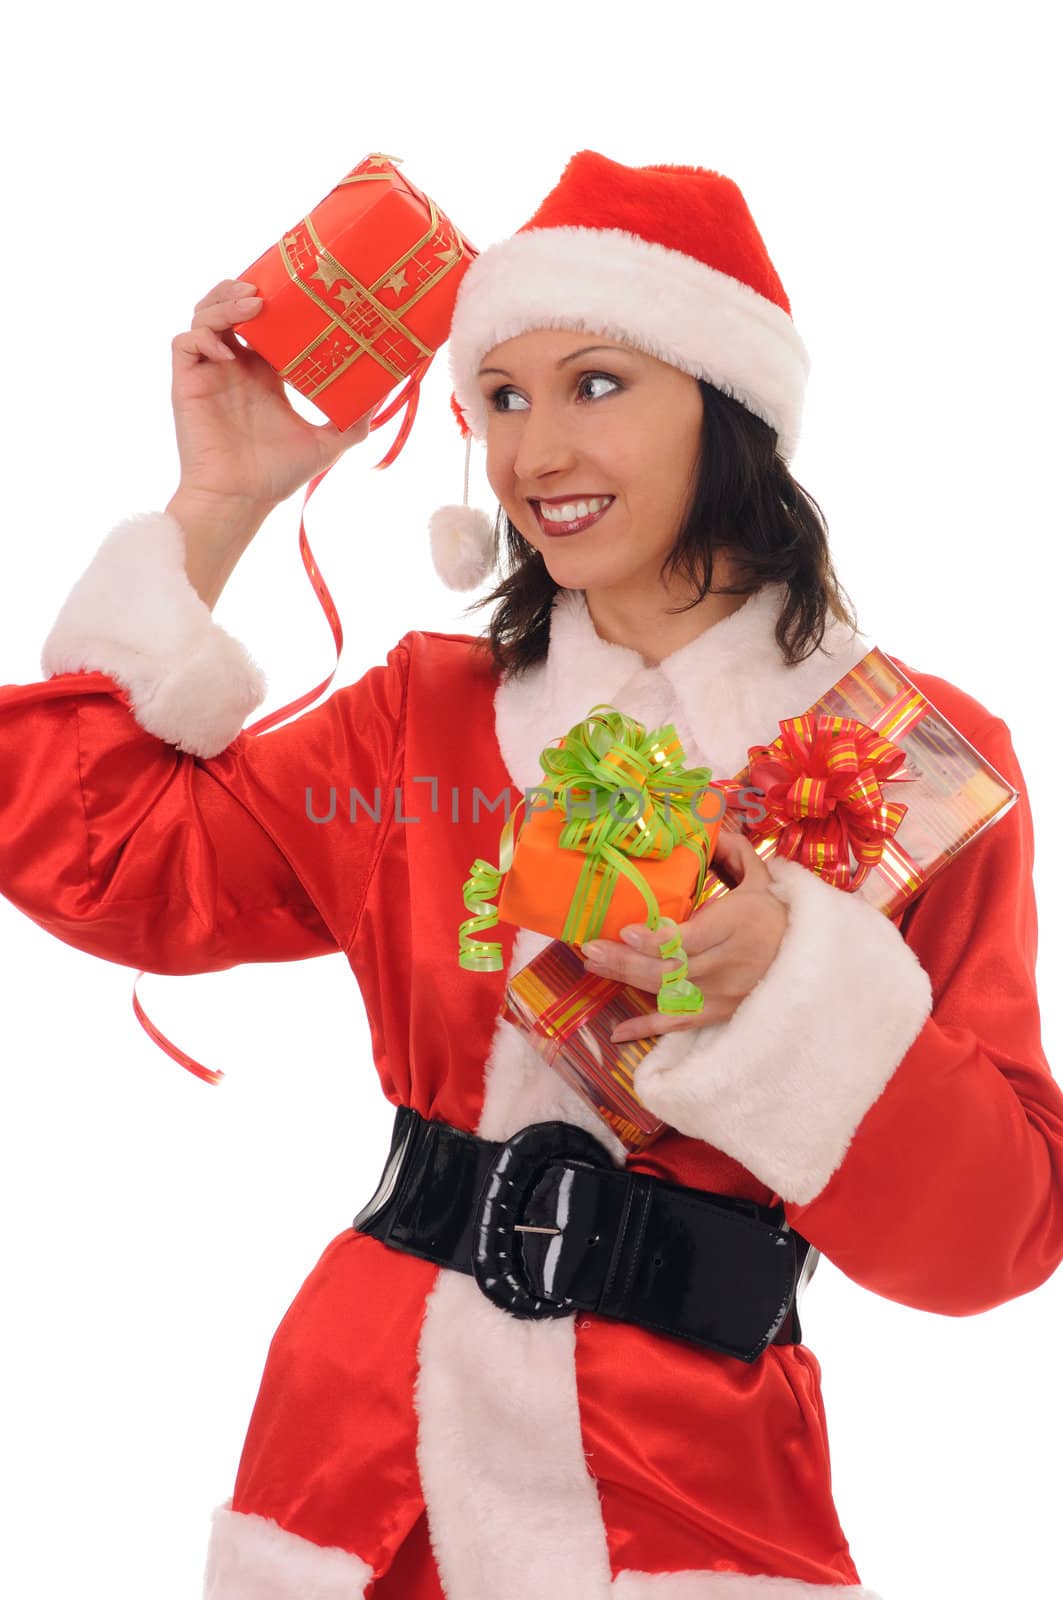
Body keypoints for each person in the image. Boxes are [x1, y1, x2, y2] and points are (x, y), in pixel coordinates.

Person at [2, 149, 1062, 1600]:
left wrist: (795, 987)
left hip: (693, 1495)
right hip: (363, 1472)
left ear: (729, 406)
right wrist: (223, 498)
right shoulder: (422, 721)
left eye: (599, 384)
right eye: (500, 398)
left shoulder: (912, 763)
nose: (537, 452)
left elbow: (992, 1243)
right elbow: (95, 854)